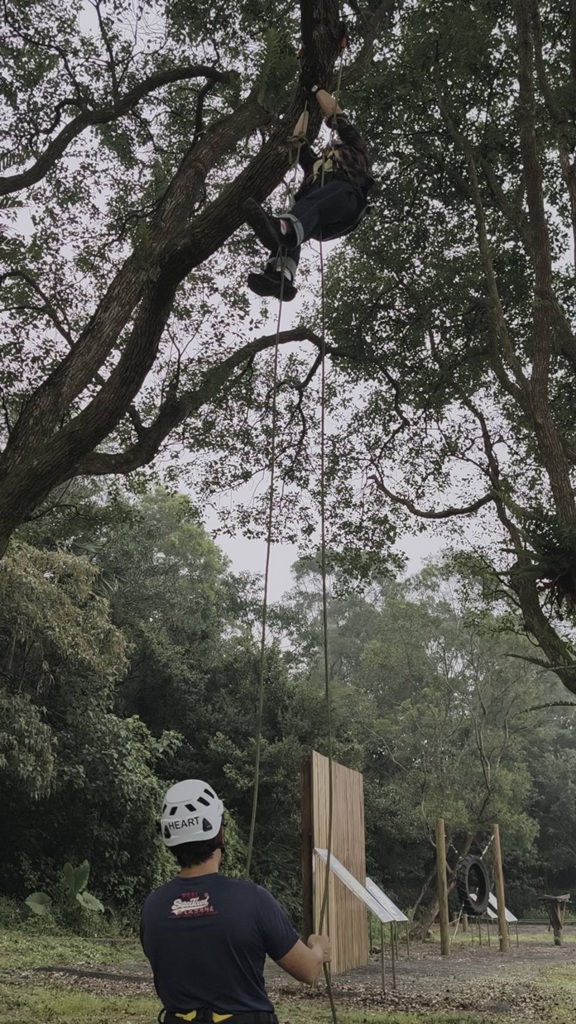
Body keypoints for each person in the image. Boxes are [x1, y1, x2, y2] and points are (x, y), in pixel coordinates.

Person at [140, 778, 331, 1023]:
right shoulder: (253, 901)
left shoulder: (153, 908)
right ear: (219, 831)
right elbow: (309, 970)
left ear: (170, 838)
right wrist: (318, 947)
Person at [244, 75, 375, 302]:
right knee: (302, 213)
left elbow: (336, 113)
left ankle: (284, 228)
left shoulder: (355, 147)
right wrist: (304, 107)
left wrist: (315, 88)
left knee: (302, 212)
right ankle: (280, 276)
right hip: (320, 221)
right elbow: (298, 140)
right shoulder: (314, 165)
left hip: (346, 199)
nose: (330, 147)